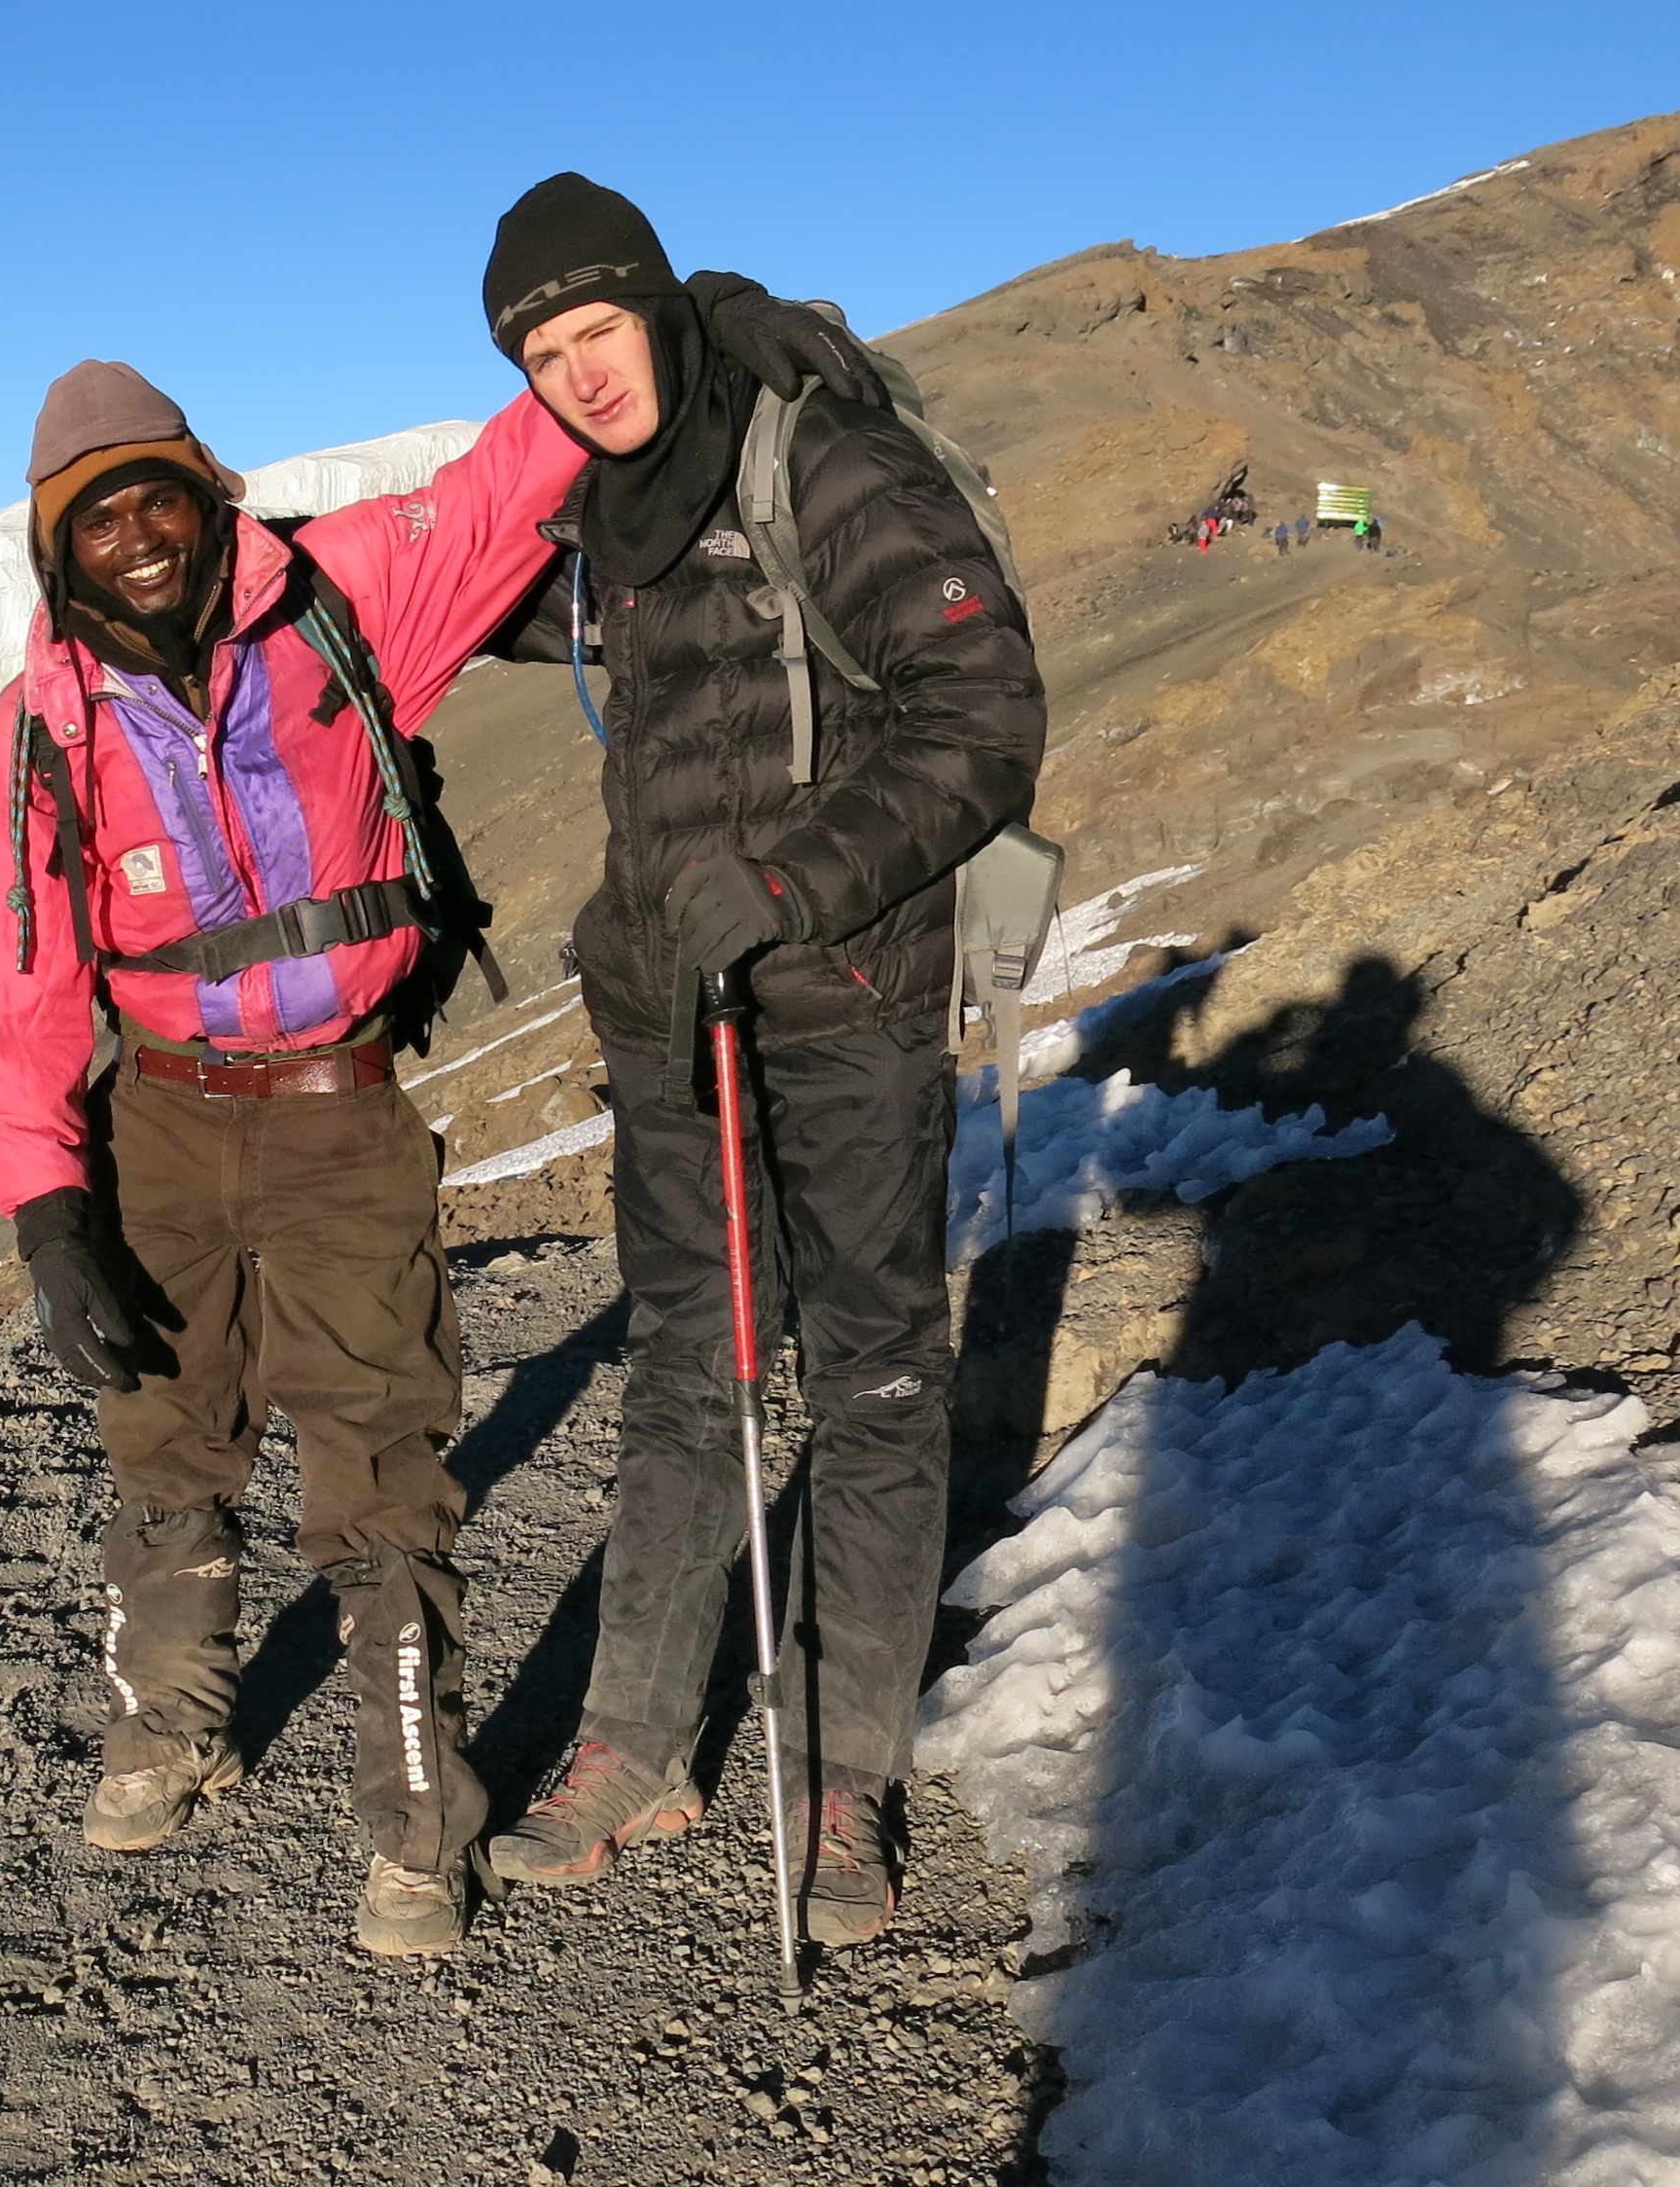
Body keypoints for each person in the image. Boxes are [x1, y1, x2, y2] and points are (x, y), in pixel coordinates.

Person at [0, 298, 880, 1954]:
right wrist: (46, 1202)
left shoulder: (343, 596)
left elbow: (505, 484)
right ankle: (172, 1722)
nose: (138, 536)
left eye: (158, 497)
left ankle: (414, 1829)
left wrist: (665, 324)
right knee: (165, 1433)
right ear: (58, 553)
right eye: (98, 519)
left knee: (381, 1465)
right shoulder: (38, 728)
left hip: (340, 1117)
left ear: (208, 495)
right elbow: (17, 977)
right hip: (156, 1120)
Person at [470, 174, 1047, 1951]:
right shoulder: (615, 511)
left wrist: (794, 879)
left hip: (849, 1001)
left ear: (654, 308)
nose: (579, 375)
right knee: (680, 1372)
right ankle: (637, 1742)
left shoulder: (825, 462)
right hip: (676, 1016)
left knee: (873, 1381)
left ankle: (845, 1772)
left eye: (596, 331)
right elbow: (531, 614)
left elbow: (986, 715)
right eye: (540, 357)